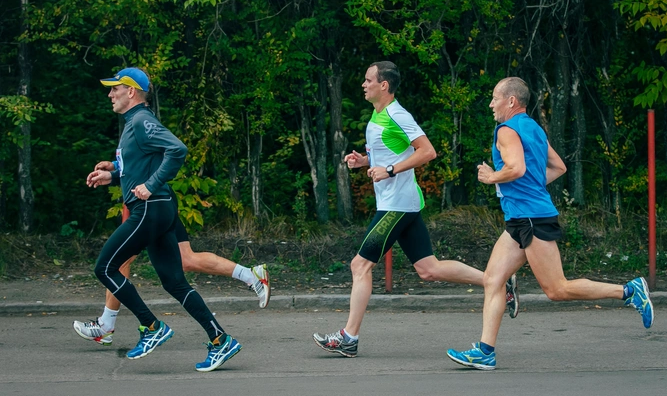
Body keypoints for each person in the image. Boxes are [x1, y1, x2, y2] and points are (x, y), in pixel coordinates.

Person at [446, 77, 654, 371]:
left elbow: (515, 168)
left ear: (511, 102)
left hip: (532, 218)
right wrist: (528, 187)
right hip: (521, 217)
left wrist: (492, 177)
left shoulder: (506, 130)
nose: (491, 104)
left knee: (557, 289)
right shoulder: (533, 129)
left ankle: (629, 291)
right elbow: (558, 167)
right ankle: (485, 352)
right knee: (493, 280)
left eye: (495, 98)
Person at [312, 61, 518, 358]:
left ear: (384, 85)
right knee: (428, 269)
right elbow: (390, 153)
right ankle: (499, 281)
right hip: (398, 204)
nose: (363, 84)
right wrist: (365, 162)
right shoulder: (378, 113)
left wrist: (390, 170)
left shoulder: (398, 114)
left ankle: (348, 337)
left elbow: (427, 151)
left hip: (397, 205)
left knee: (360, 265)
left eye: (368, 80)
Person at [82, 67, 243, 372]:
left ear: (131, 92)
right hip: (157, 208)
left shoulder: (141, 120)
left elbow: (177, 149)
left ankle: (151, 327)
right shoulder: (132, 124)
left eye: (115, 88)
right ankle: (221, 340)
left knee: (105, 268)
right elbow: (141, 165)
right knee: (175, 282)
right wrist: (112, 175)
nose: (110, 94)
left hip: (151, 209)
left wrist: (151, 185)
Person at [73, 189, 270, 346]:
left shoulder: (138, 138)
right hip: (158, 199)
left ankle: (106, 325)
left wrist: (118, 173)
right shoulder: (134, 140)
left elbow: (162, 155)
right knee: (186, 259)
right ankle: (251, 275)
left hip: (149, 202)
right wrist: (113, 169)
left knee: (118, 262)